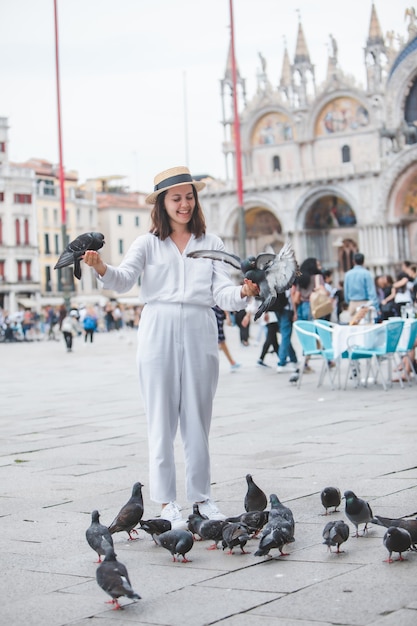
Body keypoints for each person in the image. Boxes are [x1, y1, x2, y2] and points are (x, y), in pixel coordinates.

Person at [83, 165, 259, 527]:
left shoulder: (211, 243)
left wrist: (243, 291)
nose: (184, 205)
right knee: (160, 419)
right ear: (162, 204)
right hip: (158, 325)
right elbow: (123, 279)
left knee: (198, 417)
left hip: (199, 324)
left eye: (189, 197)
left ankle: (202, 498)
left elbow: (223, 294)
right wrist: (101, 266)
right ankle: (166, 502)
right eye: (176, 198)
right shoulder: (147, 243)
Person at [343, 252, 379, 320]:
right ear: (363, 261)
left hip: (352, 303)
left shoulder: (348, 274)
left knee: (353, 325)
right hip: (364, 304)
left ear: (353, 261)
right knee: (365, 326)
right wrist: (376, 307)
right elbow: (371, 292)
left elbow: (346, 291)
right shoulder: (367, 273)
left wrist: (349, 302)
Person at [212, 305, 241, 372]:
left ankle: (232, 362)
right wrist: (227, 316)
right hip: (216, 314)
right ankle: (232, 362)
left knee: (220, 340)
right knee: (221, 340)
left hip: (216, 313)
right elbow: (221, 302)